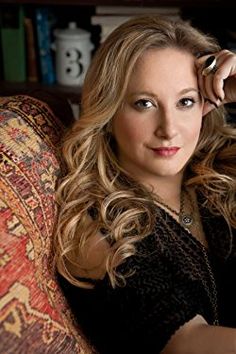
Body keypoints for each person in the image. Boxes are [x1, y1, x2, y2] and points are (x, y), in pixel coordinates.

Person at [54, 15, 236, 354]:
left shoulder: (218, 177)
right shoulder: (101, 230)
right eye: (144, 104)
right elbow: (187, 343)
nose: (168, 128)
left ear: (207, 105)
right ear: (107, 113)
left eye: (185, 101)